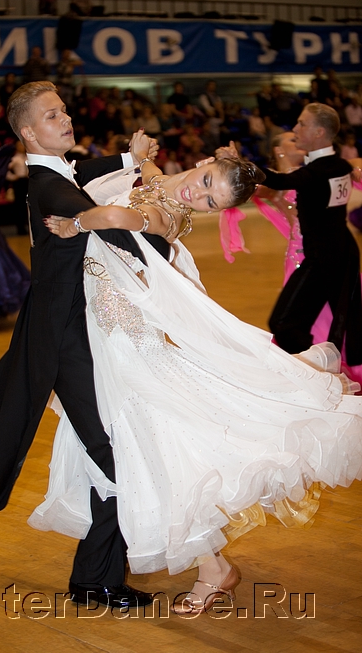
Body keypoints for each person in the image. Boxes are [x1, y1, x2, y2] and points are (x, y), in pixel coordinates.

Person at [36, 141, 362, 616]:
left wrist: (76, 224)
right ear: (203, 163)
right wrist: (139, 156)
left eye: (211, 201)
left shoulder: (166, 215)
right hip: (105, 338)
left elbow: (118, 216)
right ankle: (204, 567)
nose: (198, 195)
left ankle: (209, 568)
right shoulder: (161, 185)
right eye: (206, 181)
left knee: (153, 455)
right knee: (147, 455)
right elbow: (155, 174)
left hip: (127, 344)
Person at [0, 81, 164, 610]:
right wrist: (164, 231)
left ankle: (95, 576)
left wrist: (129, 157)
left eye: (64, 111)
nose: (65, 119)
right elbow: (111, 224)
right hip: (64, 341)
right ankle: (96, 580)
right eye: (51, 116)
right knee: (116, 456)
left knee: (114, 451)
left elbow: (85, 171)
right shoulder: (51, 189)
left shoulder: (59, 172)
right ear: (27, 132)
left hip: (70, 331)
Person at [252, 103, 362, 367]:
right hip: (336, 251)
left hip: (323, 256)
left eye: (302, 124)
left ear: (319, 132)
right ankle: (320, 368)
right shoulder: (336, 166)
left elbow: (281, 181)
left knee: (284, 322)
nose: (296, 128)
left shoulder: (321, 169)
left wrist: (238, 165)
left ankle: (316, 371)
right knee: (335, 322)